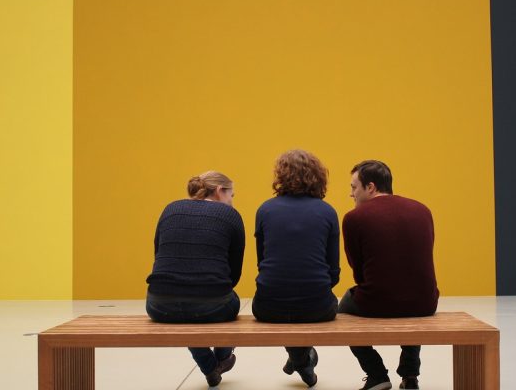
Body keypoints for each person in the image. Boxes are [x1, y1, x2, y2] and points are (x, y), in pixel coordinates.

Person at [339, 160, 440, 390]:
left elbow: (358, 272)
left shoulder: (354, 218)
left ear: (370, 187)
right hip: (425, 302)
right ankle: (410, 375)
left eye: (354, 187)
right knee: (411, 299)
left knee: (342, 310)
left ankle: (376, 374)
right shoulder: (422, 210)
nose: (351, 194)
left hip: (377, 302)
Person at [145, 171, 245, 387]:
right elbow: (233, 274)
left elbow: (158, 255)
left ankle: (209, 367)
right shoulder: (230, 215)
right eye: (231, 195)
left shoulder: (170, 209)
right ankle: (222, 358)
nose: (232, 201)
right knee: (226, 301)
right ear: (219, 191)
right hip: (213, 305)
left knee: (188, 313)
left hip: (158, 305)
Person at [252, 150, 341, 388]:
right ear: (318, 176)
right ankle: (301, 360)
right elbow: (333, 271)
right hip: (318, 307)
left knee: (287, 303)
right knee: (306, 304)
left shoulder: (265, 209)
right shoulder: (327, 211)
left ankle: (300, 359)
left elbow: (262, 262)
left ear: (281, 175)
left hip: (268, 307)